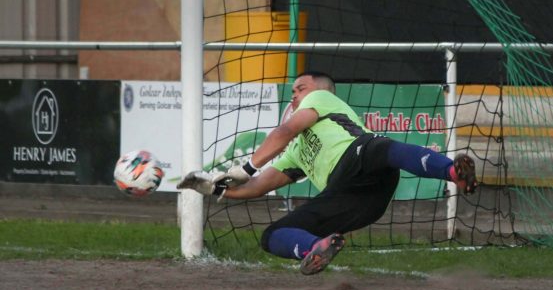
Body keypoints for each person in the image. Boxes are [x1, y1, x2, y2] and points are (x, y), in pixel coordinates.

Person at [177, 71, 477, 275]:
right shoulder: (295, 153)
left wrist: (246, 167)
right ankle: (315, 249)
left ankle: (452, 171)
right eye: (292, 91)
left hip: (359, 159)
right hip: (355, 200)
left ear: (319, 91)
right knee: (271, 235)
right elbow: (257, 187)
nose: (294, 95)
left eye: (300, 88)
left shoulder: (320, 100)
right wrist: (214, 189)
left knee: (383, 148)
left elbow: (285, 129)